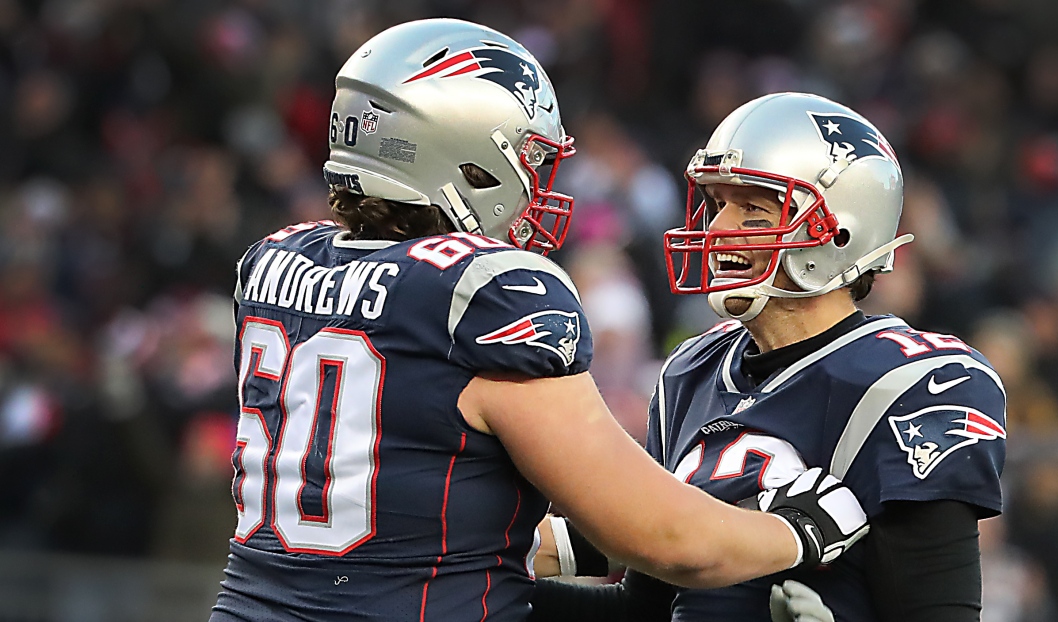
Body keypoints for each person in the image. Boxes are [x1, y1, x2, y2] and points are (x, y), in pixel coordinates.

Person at [208, 22, 870, 622]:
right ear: (461, 155)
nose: (535, 182)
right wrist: (796, 529)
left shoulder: (272, 263)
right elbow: (664, 540)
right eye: (525, 157)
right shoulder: (484, 290)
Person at [529, 93, 1007, 621]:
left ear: (839, 231)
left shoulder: (911, 382)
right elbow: (646, 609)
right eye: (717, 205)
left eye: (752, 207)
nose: (716, 229)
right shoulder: (691, 370)